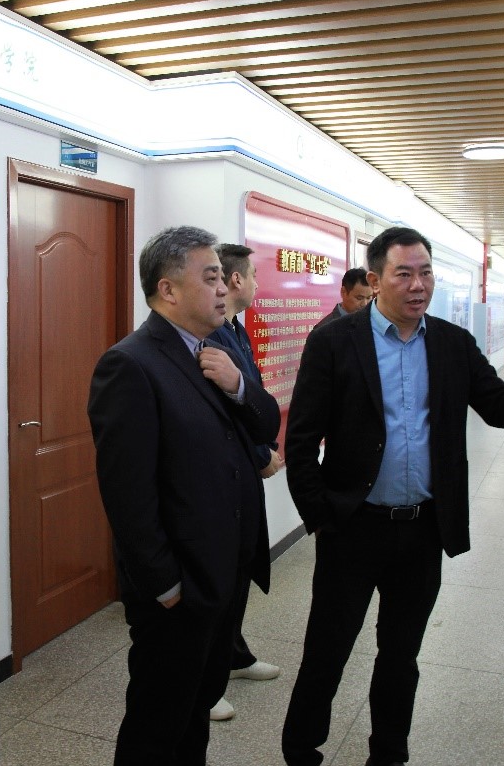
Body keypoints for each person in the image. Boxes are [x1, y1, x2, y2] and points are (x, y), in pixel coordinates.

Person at [281, 226, 504, 766]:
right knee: (327, 651)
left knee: (401, 655)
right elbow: (303, 439)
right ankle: (301, 752)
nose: (418, 285)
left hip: (423, 529)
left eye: (426, 272)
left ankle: (388, 754)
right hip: (352, 528)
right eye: (404, 274)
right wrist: (322, 517)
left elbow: (498, 406)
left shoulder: (452, 343)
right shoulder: (335, 341)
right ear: (375, 280)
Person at [87, 226, 281, 766]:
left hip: (223, 574)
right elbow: (128, 495)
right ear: (168, 290)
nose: (224, 288)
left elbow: (266, 423)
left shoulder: (215, 349)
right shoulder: (131, 364)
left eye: (224, 277)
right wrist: (165, 586)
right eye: (211, 277)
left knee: (196, 710)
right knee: (157, 724)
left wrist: (238, 385)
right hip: (179, 589)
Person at [205, 243, 284, 721]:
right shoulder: (212, 337)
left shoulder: (236, 328)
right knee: (222, 580)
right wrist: (260, 456)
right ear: (236, 280)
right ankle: (207, 681)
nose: (257, 283)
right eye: (253, 274)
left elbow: (251, 394)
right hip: (229, 474)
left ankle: (233, 657)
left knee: (240, 572)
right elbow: (224, 412)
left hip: (245, 473)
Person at [312, 267, 373, 331]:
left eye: (368, 298)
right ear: (343, 292)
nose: (365, 304)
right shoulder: (324, 329)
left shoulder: (373, 323)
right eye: (359, 298)